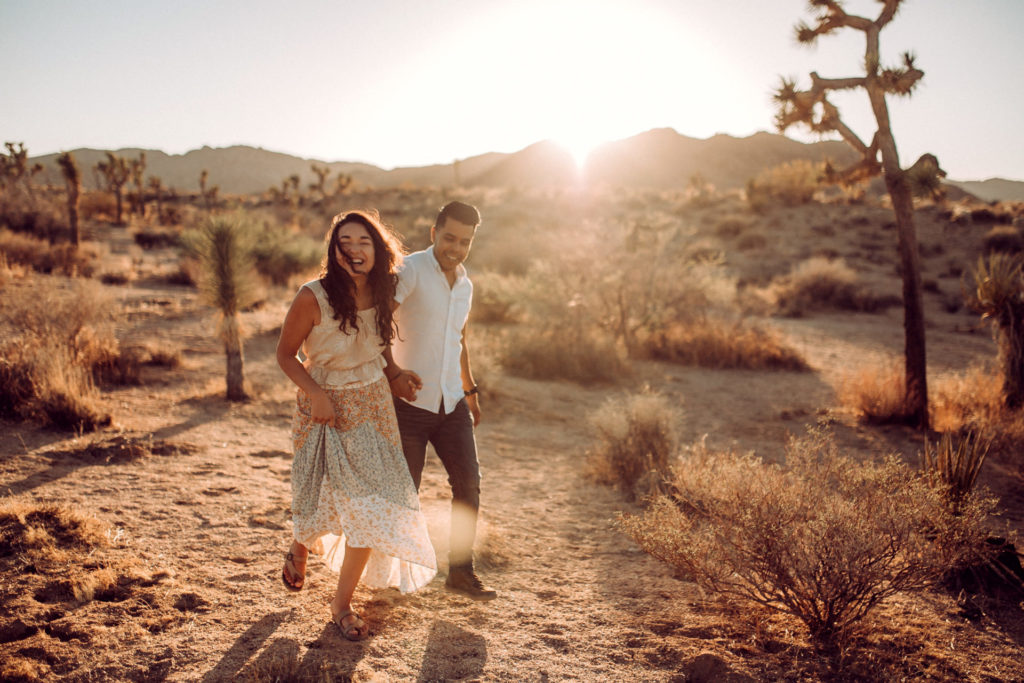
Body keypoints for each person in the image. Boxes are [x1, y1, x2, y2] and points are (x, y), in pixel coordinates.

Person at [277, 210, 436, 641]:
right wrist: (316, 394)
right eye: (344, 241)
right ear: (334, 250)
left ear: (378, 248)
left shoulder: (384, 292)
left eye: (363, 241)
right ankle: (300, 544)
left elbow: (377, 350)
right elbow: (285, 355)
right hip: (325, 407)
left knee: (373, 507)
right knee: (320, 495)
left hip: (374, 406)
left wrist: (396, 375)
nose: (354, 249)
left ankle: (341, 604)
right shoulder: (313, 296)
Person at [387, 200, 497, 600]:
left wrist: (469, 390)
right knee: (405, 492)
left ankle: (461, 572)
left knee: (469, 484)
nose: (456, 247)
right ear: (434, 233)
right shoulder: (411, 269)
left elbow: (460, 339)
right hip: (409, 405)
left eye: (465, 241)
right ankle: (392, 575)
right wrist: (391, 374)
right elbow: (381, 320)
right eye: (449, 237)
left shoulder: (466, 285)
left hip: (452, 405)